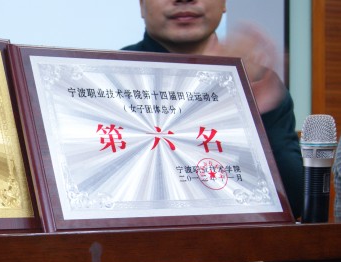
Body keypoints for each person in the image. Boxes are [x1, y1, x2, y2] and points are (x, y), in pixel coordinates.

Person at [123, 0, 304, 219]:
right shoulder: (106, 80)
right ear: (141, 5)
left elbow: (295, 201)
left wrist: (249, 110)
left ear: (224, 3)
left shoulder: (256, 81)